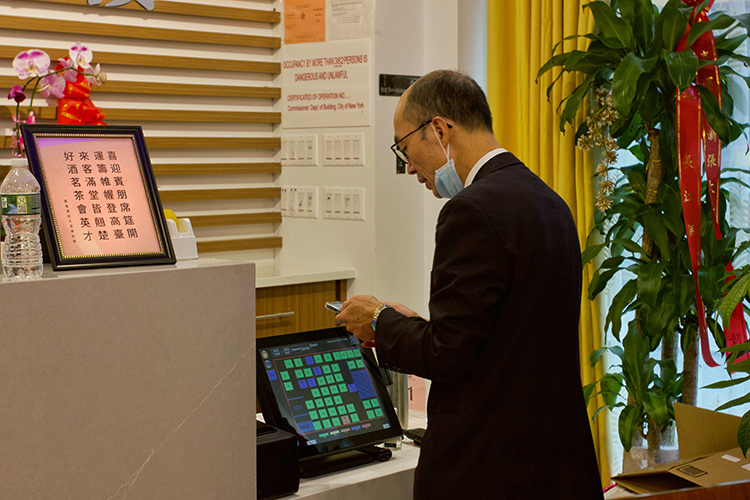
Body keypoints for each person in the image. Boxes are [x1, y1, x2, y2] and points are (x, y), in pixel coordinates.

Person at [336, 70, 604, 499]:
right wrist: (418, 324)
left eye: (405, 148)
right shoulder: (549, 201)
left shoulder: (471, 210)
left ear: (439, 130)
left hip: (491, 467)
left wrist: (381, 321)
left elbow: (448, 353)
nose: (408, 169)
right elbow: (503, 336)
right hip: (556, 462)